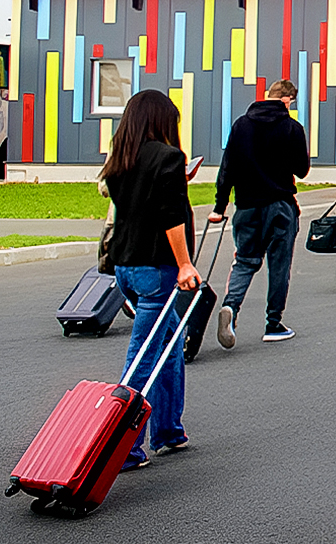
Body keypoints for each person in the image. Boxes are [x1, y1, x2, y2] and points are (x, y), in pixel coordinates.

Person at [100, 89, 200, 470]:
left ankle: (169, 431)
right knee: (142, 357)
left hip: (125, 266)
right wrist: (185, 264)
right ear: (162, 121)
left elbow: (136, 204)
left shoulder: (120, 159)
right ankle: (123, 449)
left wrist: (178, 180)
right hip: (156, 269)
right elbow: (170, 215)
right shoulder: (169, 157)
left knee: (169, 346)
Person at [211, 79, 311, 349]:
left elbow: (227, 169)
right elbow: (302, 169)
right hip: (280, 206)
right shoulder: (292, 128)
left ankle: (231, 308)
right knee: (279, 266)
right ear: (288, 100)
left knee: (244, 261)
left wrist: (220, 207)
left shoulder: (241, 125)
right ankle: (273, 323)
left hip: (246, 206)